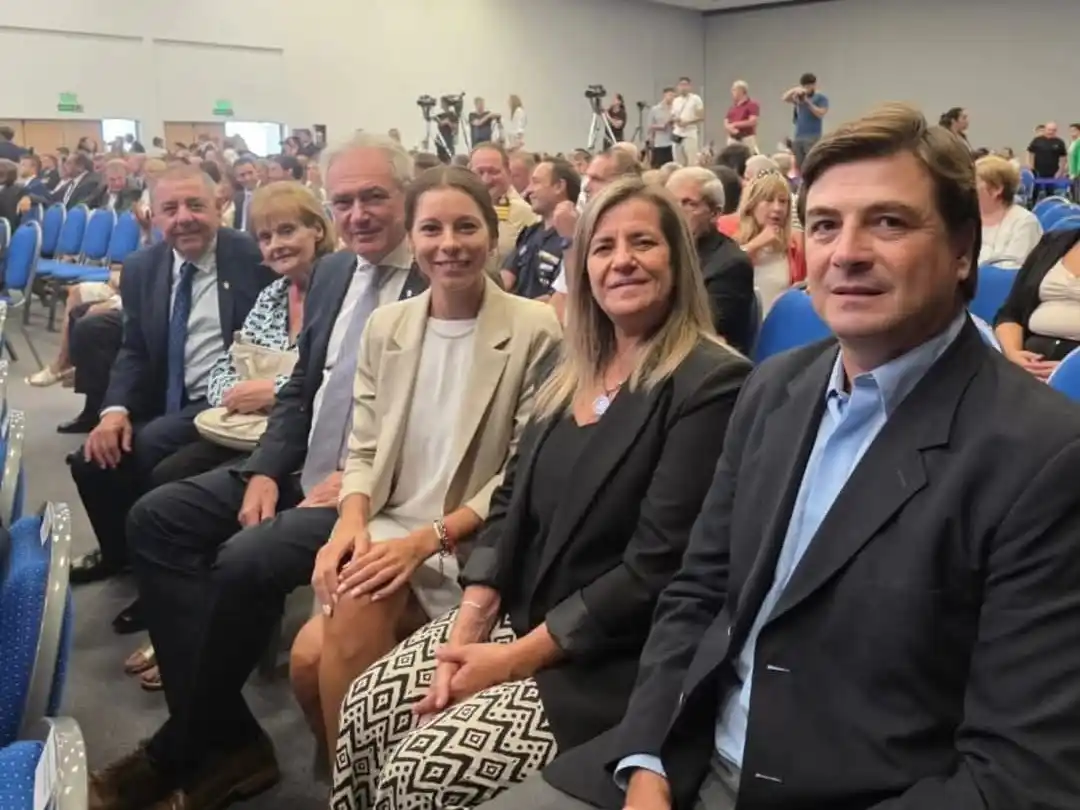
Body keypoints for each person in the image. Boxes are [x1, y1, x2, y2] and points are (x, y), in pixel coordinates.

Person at [496, 101, 1080, 810]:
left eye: (888, 222)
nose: (847, 252)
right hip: (682, 756)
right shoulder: (776, 387)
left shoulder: (1044, 457)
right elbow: (696, 590)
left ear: (963, 251)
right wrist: (646, 759)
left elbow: (1018, 775)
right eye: (827, 225)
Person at [329, 177, 751, 810]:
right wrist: (470, 623)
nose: (622, 260)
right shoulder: (572, 365)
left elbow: (653, 571)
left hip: (606, 658)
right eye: (603, 247)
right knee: (365, 711)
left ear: (679, 261)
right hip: (517, 613)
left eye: (643, 242)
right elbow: (508, 505)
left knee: (421, 771)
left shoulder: (709, 383)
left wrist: (511, 661)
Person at [86, 134, 429, 810]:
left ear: (406, 199)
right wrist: (271, 467)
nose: (358, 214)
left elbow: (438, 415)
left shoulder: (437, 276)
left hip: (373, 493)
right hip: (302, 466)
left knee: (244, 559)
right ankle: (228, 737)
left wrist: (352, 486)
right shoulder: (333, 273)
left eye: (375, 198)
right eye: (346, 201)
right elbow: (300, 386)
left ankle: (181, 748)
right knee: (154, 518)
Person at [288, 165, 562, 768]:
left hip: (469, 539)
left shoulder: (535, 329)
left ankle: (359, 786)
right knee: (307, 663)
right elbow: (362, 449)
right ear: (411, 240)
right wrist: (349, 522)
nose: (449, 244)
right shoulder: (387, 327)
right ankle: (361, 778)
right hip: (388, 526)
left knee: (324, 646)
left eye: (466, 227)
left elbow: (523, 475)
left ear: (493, 237)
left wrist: (426, 541)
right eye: (431, 229)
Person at [123, 180, 334, 690]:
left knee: (195, 492)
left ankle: (199, 636)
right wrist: (243, 389)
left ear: (317, 230)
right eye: (266, 236)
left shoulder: (340, 288)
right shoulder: (274, 294)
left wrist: (270, 386)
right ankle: (185, 622)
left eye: (288, 230)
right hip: (249, 428)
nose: (276, 245)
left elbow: (330, 376)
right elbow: (224, 370)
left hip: (299, 439)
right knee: (164, 472)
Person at [67, 164, 274, 588]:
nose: (184, 218)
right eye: (171, 208)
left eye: (195, 205)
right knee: (92, 459)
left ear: (218, 207)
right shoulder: (143, 267)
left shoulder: (254, 259)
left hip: (227, 403)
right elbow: (135, 349)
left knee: (149, 453)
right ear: (153, 216)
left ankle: (163, 579)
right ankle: (120, 556)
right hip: (167, 398)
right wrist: (114, 409)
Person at [665, 167, 754, 353]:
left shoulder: (731, 265)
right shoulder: (662, 253)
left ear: (715, 213)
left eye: (687, 203)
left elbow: (699, 330)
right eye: (671, 203)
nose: (676, 211)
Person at [995, 226, 1080, 379]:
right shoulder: (1053, 242)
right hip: (1029, 364)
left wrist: (1071, 370)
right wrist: (1013, 354)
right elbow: (1011, 314)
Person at [975, 155, 1042, 269]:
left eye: (974, 182)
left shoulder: (1025, 223)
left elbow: (1011, 273)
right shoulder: (966, 220)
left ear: (996, 189)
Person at [783, 72, 829, 168]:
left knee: (811, 163)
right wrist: (795, 90)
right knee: (799, 165)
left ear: (814, 85)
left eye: (810, 86)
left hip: (812, 136)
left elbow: (820, 113)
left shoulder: (821, 98)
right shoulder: (799, 97)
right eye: (805, 86)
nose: (808, 88)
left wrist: (808, 103)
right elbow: (785, 98)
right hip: (798, 136)